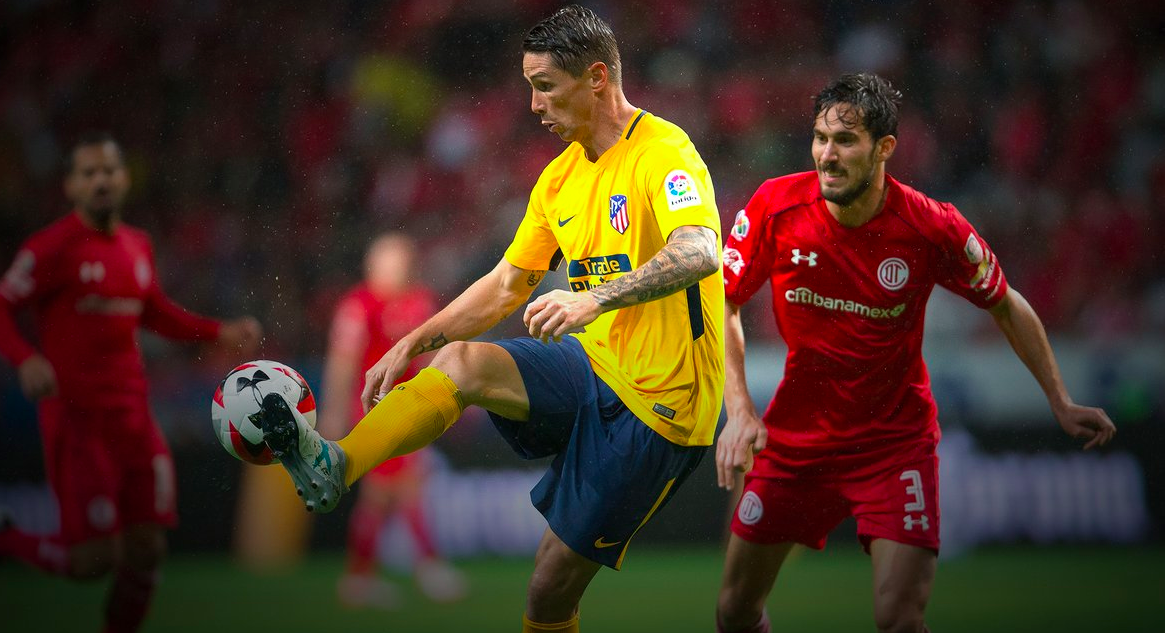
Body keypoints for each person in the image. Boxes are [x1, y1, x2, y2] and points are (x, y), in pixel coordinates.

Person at [253, 6, 725, 631]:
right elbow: (506, 285)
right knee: (461, 362)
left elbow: (699, 250)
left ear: (596, 79)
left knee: (548, 590)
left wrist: (593, 298)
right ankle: (337, 464)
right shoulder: (557, 180)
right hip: (597, 364)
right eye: (530, 87)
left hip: (664, 404)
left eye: (544, 86)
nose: (533, 106)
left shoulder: (665, 152)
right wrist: (414, 341)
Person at [713, 73, 1117, 633]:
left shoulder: (931, 226)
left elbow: (1006, 303)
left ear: (884, 149)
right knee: (733, 612)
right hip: (797, 441)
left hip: (892, 446)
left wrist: (1060, 400)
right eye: (820, 138)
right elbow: (724, 304)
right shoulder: (776, 206)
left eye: (845, 142)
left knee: (899, 619)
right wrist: (739, 410)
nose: (827, 156)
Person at [0, 132, 262, 633]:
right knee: (92, 563)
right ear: (71, 186)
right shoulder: (50, 248)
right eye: (89, 173)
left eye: (110, 171)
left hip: (134, 418)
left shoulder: (137, 244)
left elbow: (153, 311)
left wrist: (218, 331)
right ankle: (9, 539)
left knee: (147, 549)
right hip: (78, 423)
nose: (101, 180)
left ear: (124, 180)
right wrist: (25, 359)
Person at [317, 232, 466, 608]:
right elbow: (342, 361)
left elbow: (433, 357)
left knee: (400, 489)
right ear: (374, 264)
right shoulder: (359, 304)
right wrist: (334, 410)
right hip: (373, 409)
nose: (399, 266)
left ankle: (372, 574)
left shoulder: (419, 300)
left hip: (412, 407)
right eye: (391, 259)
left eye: (402, 259)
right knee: (390, 491)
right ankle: (406, 570)